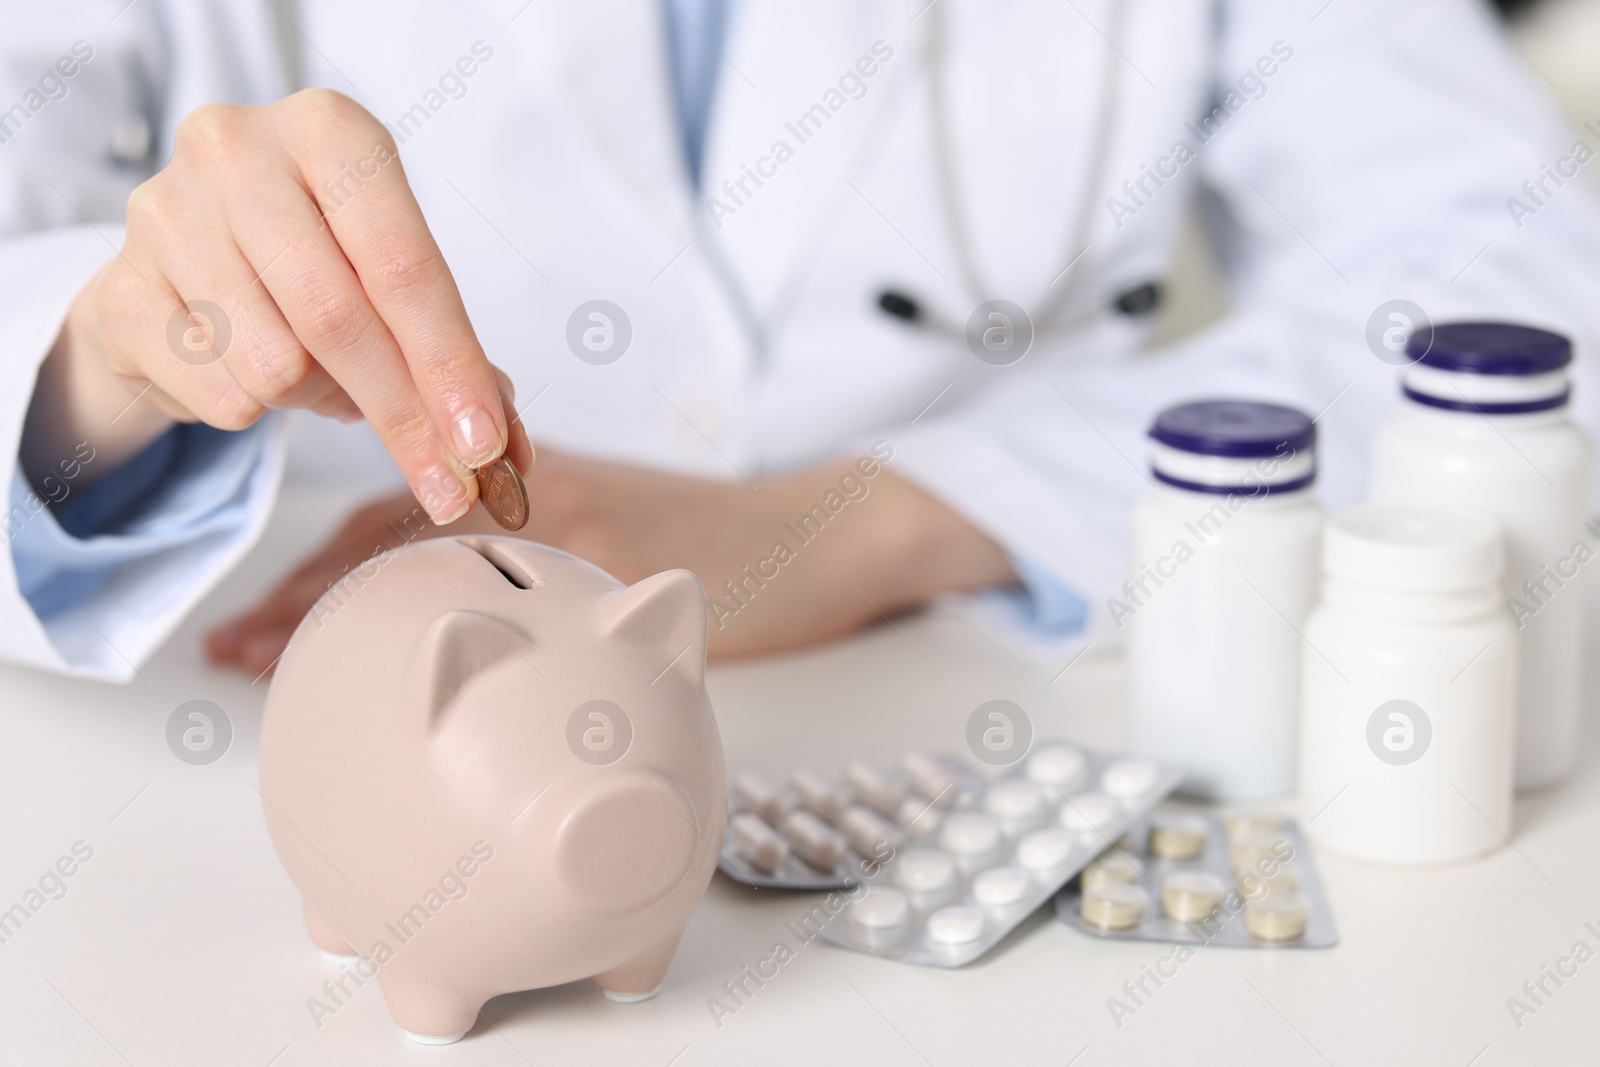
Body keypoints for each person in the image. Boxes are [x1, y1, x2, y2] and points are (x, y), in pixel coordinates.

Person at [3, 0, 1599, 681]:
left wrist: (904, 513)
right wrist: (97, 368)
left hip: (979, 682)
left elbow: (1519, 266)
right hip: (275, 689)